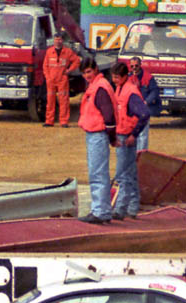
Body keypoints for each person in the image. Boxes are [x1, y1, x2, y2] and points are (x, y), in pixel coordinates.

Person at [77, 58, 116, 224]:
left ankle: (100, 211)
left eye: (89, 72)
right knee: (99, 173)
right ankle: (103, 210)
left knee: (97, 174)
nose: (86, 76)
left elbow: (108, 115)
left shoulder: (100, 88)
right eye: (84, 73)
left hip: (98, 134)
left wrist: (112, 136)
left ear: (96, 69)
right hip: (95, 134)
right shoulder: (97, 86)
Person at [110, 62, 150, 221]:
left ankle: (120, 209)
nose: (114, 80)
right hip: (122, 135)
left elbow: (144, 114)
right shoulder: (120, 88)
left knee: (123, 175)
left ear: (125, 76)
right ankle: (132, 208)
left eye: (117, 77)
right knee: (130, 173)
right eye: (113, 77)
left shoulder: (130, 92)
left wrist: (134, 134)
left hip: (125, 138)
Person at [42, 31, 80, 127]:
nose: (58, 41)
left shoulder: (67, 52)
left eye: (59, 39)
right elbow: (45, 66)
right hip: (51, 80)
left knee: (64, 101)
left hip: (62, 79)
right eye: (56, 39)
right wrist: (47, 77)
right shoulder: (49, 51)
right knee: (50, 101)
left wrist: (69, 70)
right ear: (53, 40)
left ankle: (64, 121)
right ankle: (49, 121)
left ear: (62, 40)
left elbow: (76, 61)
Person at [128, 57, 159, 151]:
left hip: (143, 110)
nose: (134, 68)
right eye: (132, 66)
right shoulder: (128, 77)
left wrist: (146, 102)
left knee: (143, 134)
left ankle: (142, 153)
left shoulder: (148, 77)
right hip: (132, 110)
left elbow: (155, 91)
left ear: (140, 65)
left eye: (136, 66)